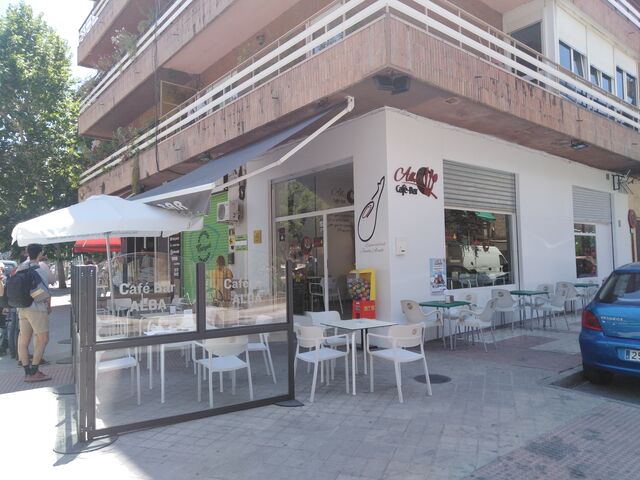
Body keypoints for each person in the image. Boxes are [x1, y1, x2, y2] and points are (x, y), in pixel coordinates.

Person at [16, 244, 55, 382]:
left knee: (23, 340)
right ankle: (34, 371)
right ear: (40, 253)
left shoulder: (20, 267)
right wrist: (48, 305)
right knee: (43, 338)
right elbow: (44, 289)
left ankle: (27, 372)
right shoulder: (40, 268)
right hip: (36, 308)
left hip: (21, 308)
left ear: (27, 253)